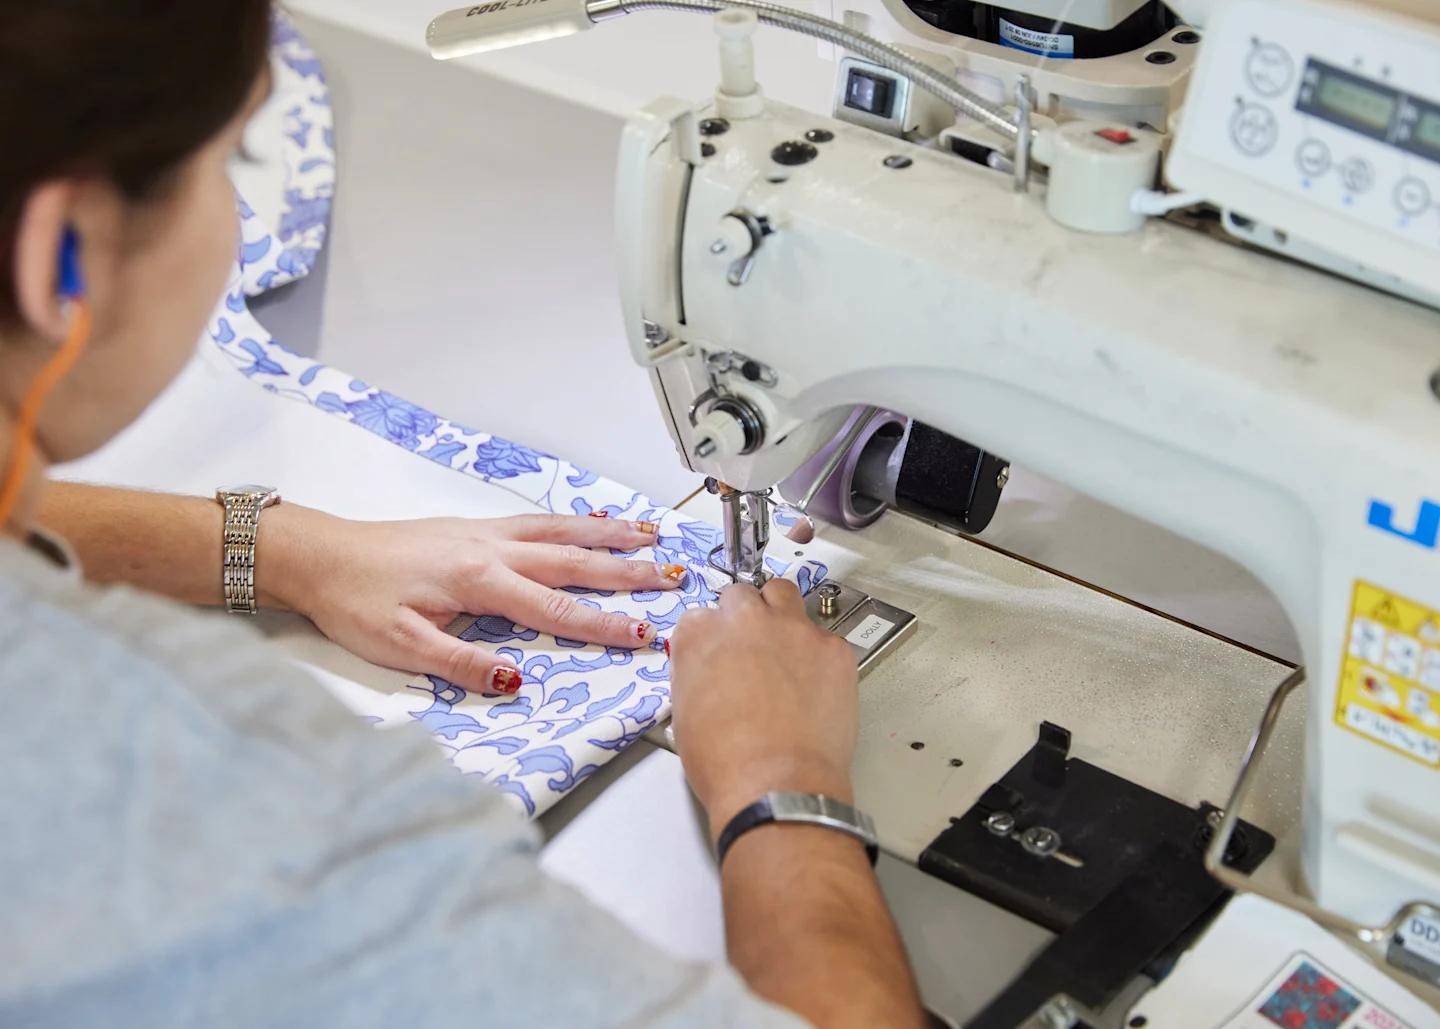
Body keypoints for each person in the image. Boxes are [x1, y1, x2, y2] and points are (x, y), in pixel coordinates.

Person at [0, 2, 926, 1026]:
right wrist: (782, 781)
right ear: (63, 258)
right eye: (231, 161)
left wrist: (280, 548)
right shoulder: (240, 800)